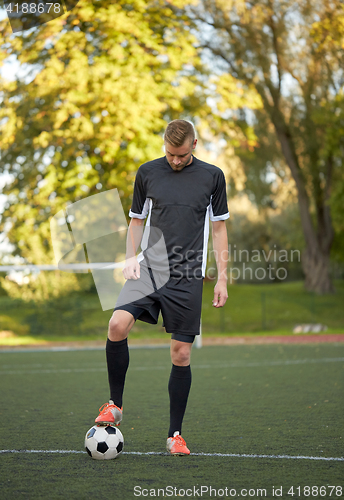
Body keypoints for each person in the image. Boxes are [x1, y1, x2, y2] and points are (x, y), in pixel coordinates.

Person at [95, 120, 229, 455]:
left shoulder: (213, 177)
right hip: (150, 269)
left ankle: (175, 435)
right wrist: (129, 257)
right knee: (116, 324)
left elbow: (220, 230)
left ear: (195, 145)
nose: (174, 160)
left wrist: (223, 277)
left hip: (187, 277)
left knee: (181, 353)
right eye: (170, 153)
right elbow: (137, 219)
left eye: (181, 155)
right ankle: (114, 404)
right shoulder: (147, 172)